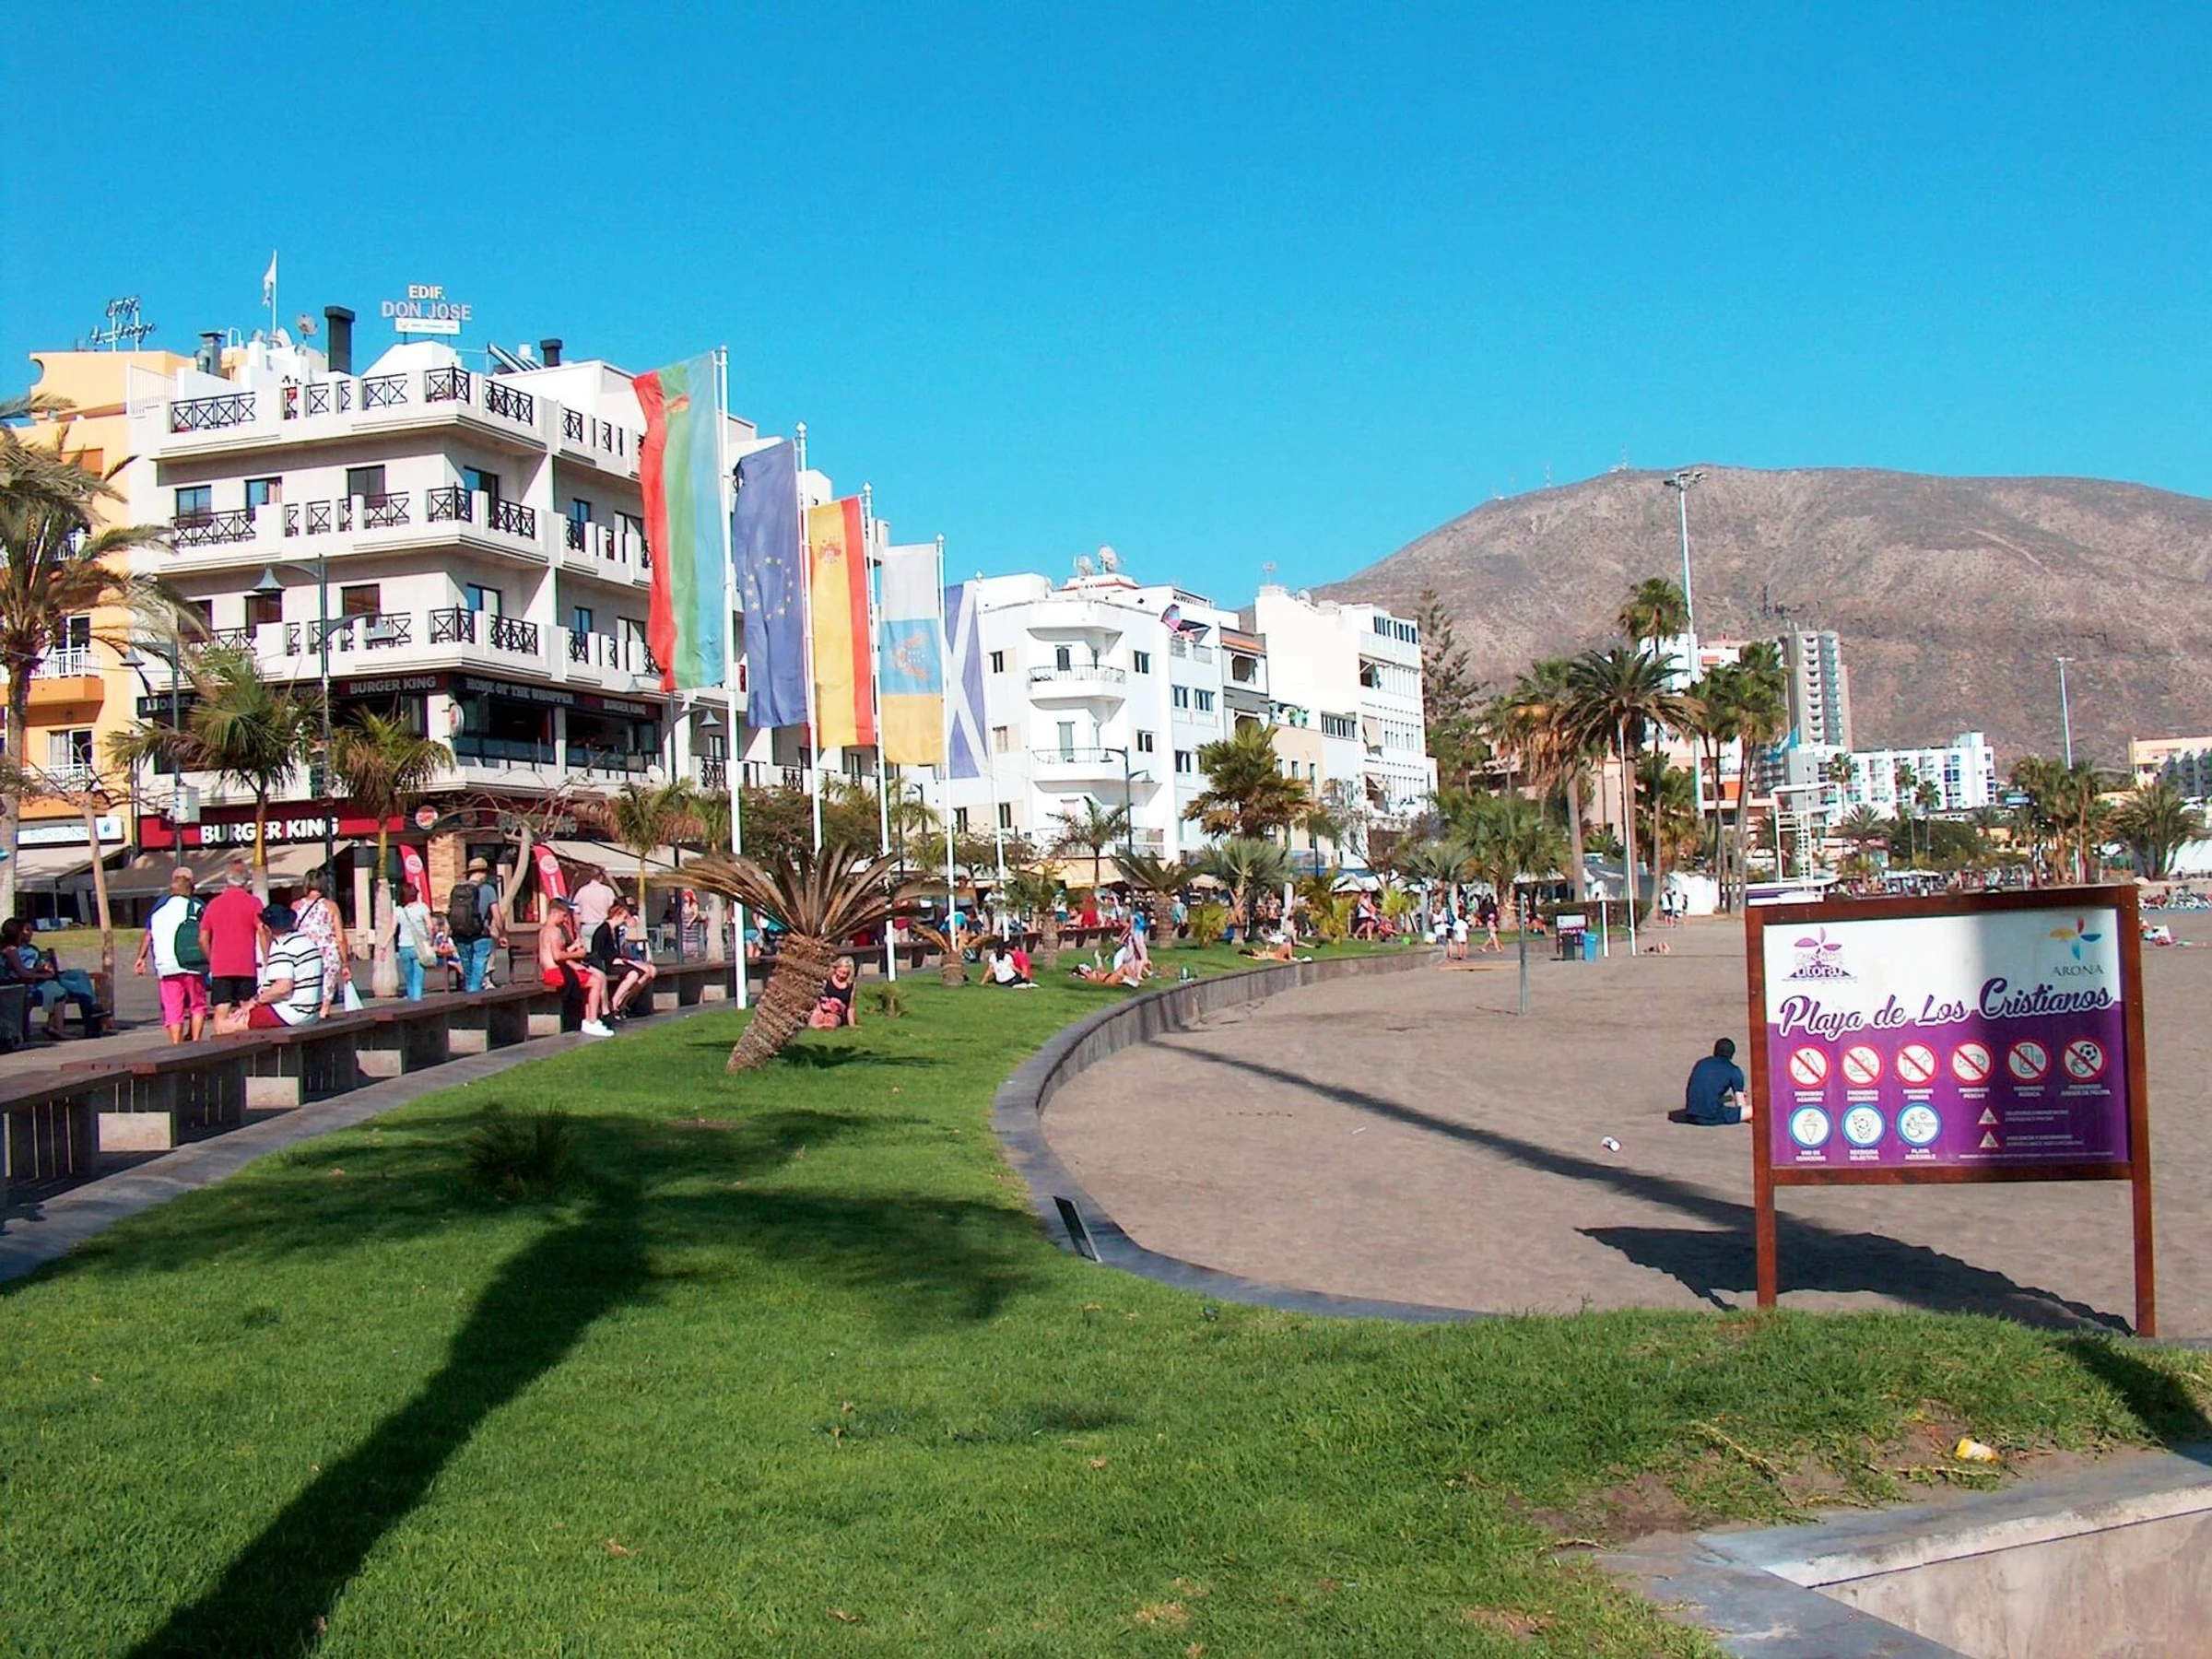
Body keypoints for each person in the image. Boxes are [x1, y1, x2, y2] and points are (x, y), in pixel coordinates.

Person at [214, 902, 325, 1033]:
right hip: (311, 1014)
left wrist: (255, 1001)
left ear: (267, 927)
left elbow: (283, 986)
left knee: (223, 1026)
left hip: (291, 1013)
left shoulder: (283, 946)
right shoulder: (307, 943)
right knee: (240, 1018)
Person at [134, 867, 209, 1042]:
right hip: (191, 963)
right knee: (197, 1004)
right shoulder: (197, 906)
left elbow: (149, 934)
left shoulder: (158, 912)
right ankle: (196, 1041)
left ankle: (176, 1044)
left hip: (166, 965)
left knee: (173, 1008)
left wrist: (141, 958)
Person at [7, 917, 105, 1039]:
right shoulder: (13, 950)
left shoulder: (32, 948)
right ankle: (92, 1015)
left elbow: (42, 964)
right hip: (36, 982)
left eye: (31, 929)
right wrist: (41, 972)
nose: (31, 932)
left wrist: (48, 967)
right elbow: (22, 972)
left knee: (79, 974)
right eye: (27, 930)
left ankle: (93, 1009)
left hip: (48, 977)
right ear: (18, 932)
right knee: (65, 989)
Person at [199, 856, 265, 1027]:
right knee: (247, 1008)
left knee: (221, 1008)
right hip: (246, 965)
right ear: (246, 880)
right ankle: (246, 1038)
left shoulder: (214, 904)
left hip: (221, 966)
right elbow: (262, 930)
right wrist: (267, 957)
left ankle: (220, 1037)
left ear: (226, 879)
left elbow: (203, 937)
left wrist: (211, 958)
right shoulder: (254, 903)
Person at [537, 895, 613, 1037]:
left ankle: (589, 1019)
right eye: (564, 915)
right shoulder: (554, 931)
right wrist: (578, 954)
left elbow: (554, 952)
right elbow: (557, 956)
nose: (566, 919)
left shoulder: (545, 929)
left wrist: (573, 948)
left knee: (591, 979)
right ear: (554, 912)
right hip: (556, 973)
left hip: (552, 971)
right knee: (595, 981)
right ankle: (592, 1021)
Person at [292, 868, 351, 1018]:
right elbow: (340, 937)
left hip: (303, 955)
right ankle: (323, 1015)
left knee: (306, 989)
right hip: (327, 954)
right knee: (326, 992)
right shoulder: (331, 906)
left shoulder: (296, 907)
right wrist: (345, 963)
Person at [589, 895, 656, 1018]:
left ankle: (624, 1002)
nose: (625, 921)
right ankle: (615, 1002)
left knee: (650, 970)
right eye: (624, 917)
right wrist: (613, 960)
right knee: (634, 974)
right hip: (607, 963)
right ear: (617, 915)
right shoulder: (603, 930)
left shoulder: (615, 929)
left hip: (617, 960)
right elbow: (597, 952)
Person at [447, 855, 507, 993]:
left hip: (460, 935)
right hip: (481, 935)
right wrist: (502, 934)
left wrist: (445, 936)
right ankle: (474, 996)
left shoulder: (457, 890)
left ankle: (470, 993)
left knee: (467, 971)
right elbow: (496, 915)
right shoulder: (488, 889)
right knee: (478, 970)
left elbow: (450, 914)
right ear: (483, 873)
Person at [1672, 1038, 1750, 1126]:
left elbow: (1707, 1092)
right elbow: (1741, 1105)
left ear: (1715, 1051)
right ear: (1732, 1054)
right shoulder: (1734, 1071)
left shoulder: (1701, 1063)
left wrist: (1730, 1098)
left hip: (1691, 1115)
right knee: (1753, 1110)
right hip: (1711, 1117)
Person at [394, 880, 436, 1001]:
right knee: (418, 979)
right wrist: (430, 941)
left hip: (403, 946)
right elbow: (431, 927)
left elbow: (392, 930)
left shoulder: (398, 910)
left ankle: (411, 1002)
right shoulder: (422, 908)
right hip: (419, 947)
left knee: (409, 979)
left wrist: (384, 946)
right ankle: (417, 1003)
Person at [808, 955, 860, 1029]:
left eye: (844, 973)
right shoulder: (826, 980)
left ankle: (826, 1027)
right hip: (822, 1008)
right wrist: (818, 1010)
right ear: (836, 969)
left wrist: (852, 1024)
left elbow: (851, 1007)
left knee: (832, 1020)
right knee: (815, 1019)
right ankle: (819, 1026)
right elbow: (817, 998)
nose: (841, 975)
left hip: (837, 1013)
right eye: (840, 971)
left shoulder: (851, 985)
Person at [571, 865, 618, 940]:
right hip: (602, 926)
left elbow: (576, 913)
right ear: (601, 877)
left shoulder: (582, 891)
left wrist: (578, 930)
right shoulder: (607, 891)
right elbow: (613, 910)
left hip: (586, 927)